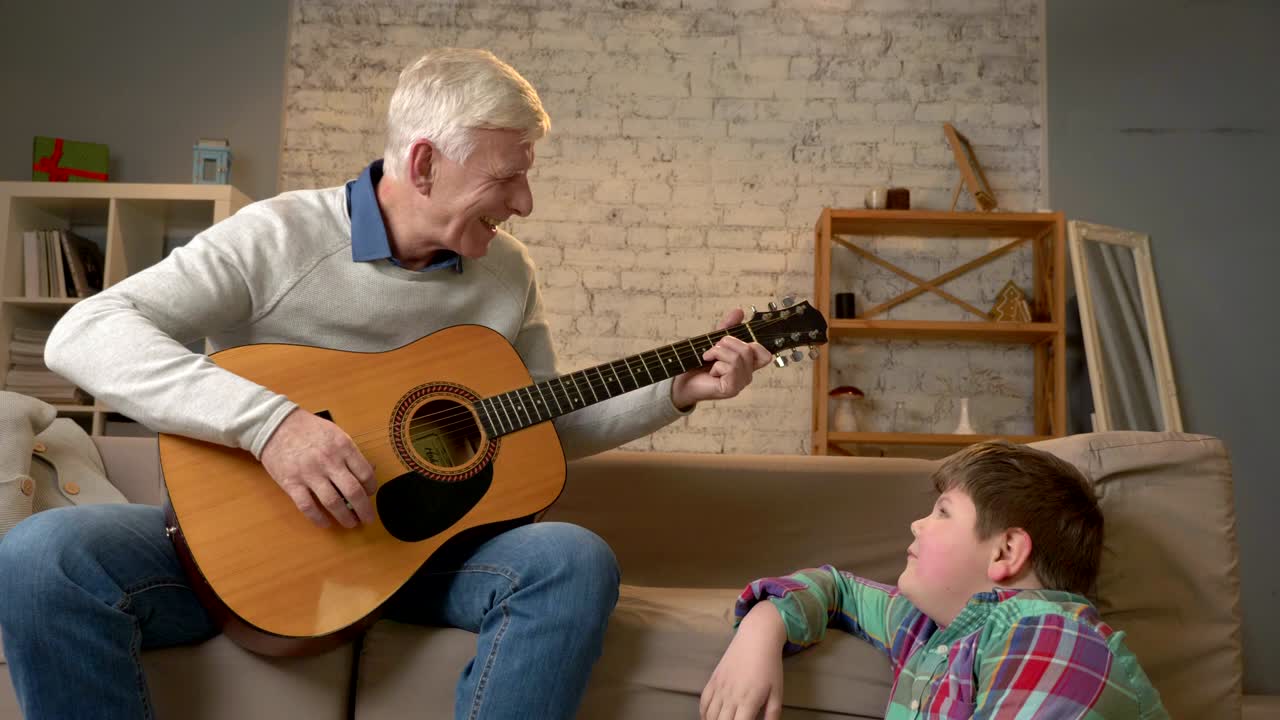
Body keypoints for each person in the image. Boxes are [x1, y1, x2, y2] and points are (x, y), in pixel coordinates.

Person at [0, 48, 772, 720]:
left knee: (574, 556)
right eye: (507, 178)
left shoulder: (509, 274)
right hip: (249, 553)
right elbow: (85, 332)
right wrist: (272, 425)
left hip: (433, 557)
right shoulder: (276, 237)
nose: (524, 204)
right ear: (424, 164)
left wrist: (674, 393)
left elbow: (539, 425)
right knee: (42, 556)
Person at [700, 440, 1169, 720]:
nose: (916, 524)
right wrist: (761, 631)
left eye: (943, 512)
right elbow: (837, 589)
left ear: (1005, 551)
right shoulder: (932, 631)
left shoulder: (1053, 635)